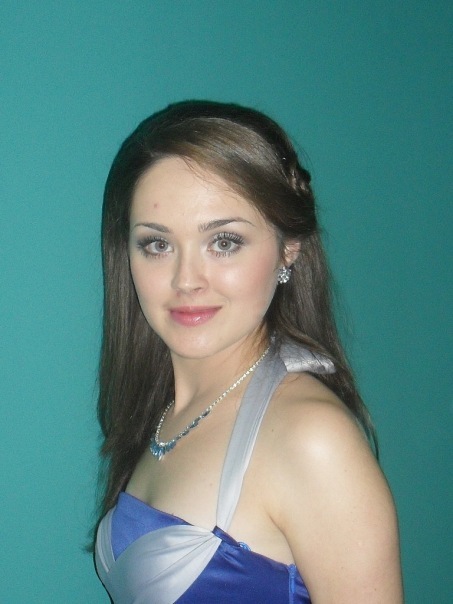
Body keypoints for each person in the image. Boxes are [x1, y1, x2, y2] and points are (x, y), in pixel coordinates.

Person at [94, 100, 403, 603]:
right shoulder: (164, 411)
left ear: (288, 248)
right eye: (157, 245)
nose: (186, 280)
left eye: (224, 242)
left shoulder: (312, 438)